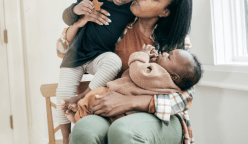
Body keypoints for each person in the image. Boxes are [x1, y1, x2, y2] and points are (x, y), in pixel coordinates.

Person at [62, 0, 195, 144]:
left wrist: (131, 103)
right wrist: (81, 21)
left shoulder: (175, 42)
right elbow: (64, 49)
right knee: (83, 131)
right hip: (112, 113)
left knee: (124, 131)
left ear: (164, 11)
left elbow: (187, 97)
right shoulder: (118, 24)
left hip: (162, 120)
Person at [56, 0, 152, 144]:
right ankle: (65, 140)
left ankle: (83, 98)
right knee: (62, 93)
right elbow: (66, 16)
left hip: (99, 57)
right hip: (75, 56)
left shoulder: (130, 11)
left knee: (114, 62)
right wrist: (77, 9)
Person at [64, 45, 202, 124]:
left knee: (94, 97)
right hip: (129, 109)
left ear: (174, 76)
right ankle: (79, 114)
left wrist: (142, 56)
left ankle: (77, 116)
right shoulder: (167, 82)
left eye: (169, 56)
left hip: (121, 96)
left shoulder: (161, 75)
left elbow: (138, 74)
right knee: (96, 106)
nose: (164, 53)